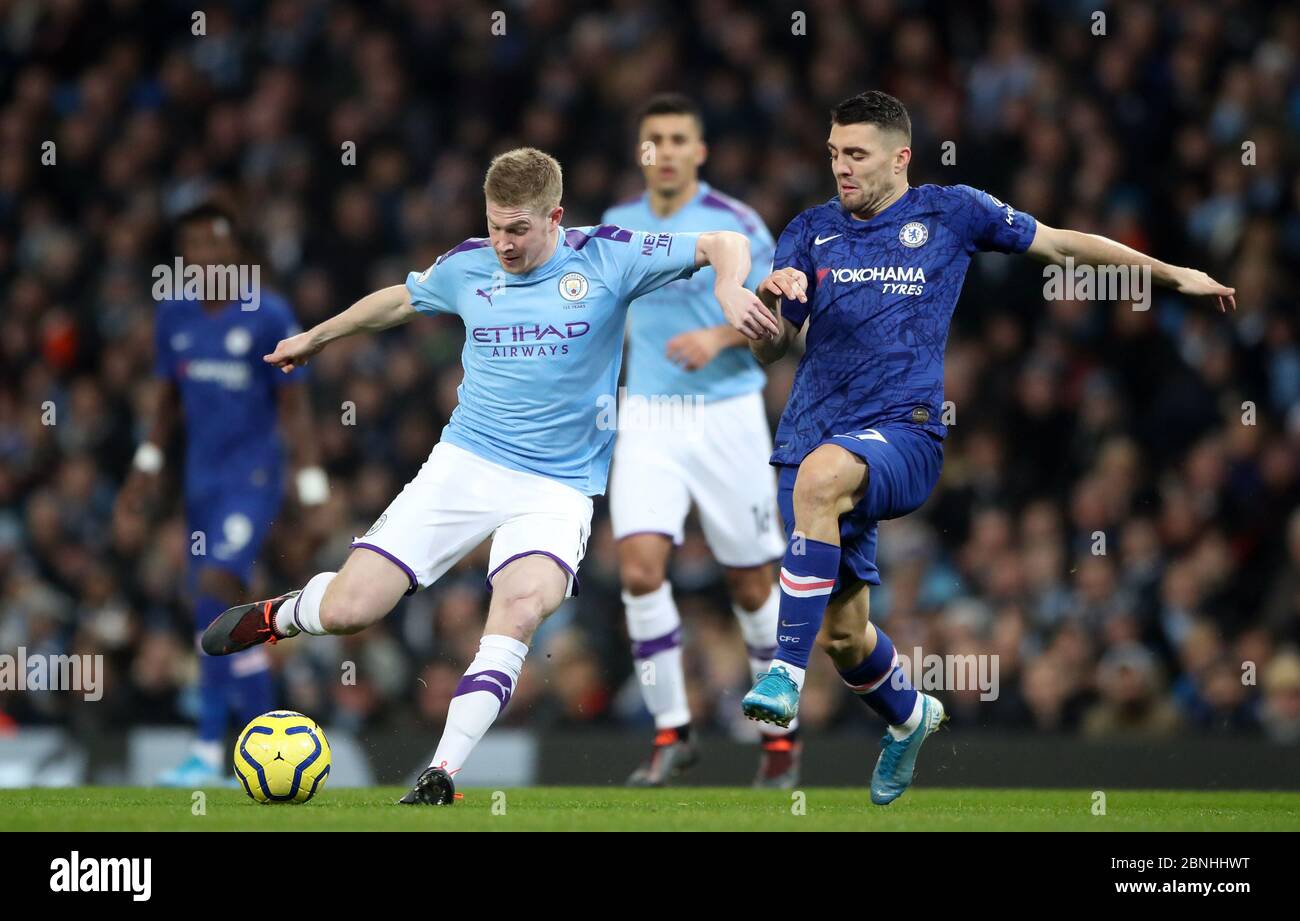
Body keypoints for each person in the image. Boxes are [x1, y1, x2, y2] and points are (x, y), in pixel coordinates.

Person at [200, 147, 778, 805]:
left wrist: (729, 286)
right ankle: (286, 613)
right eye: (495, 224)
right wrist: (319, 337)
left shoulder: (609, 256)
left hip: (557, 489)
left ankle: (441, 772)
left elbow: (722, 239)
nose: (502, 241)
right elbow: (401, 299)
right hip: (465, 466)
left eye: (518, 229)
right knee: (351, 610)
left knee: (521, 608)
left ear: (555, 217)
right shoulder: (470, 263)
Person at [742, 90, 1235, 805]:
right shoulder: (808, 232)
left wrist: (1170, 272)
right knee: (846, 637)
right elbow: (771, 350)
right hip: (811, 434)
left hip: (905, 431)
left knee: (822, 482)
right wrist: (768, 312)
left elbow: (1065, 244)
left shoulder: (951, 211)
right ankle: (910, 717)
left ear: (900, 157)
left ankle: (781, 675)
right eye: (832, 154)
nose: (840, 168)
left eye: (855, 154)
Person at [602, 94, 796, 788]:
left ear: (700, 151)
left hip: (728, 414)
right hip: (649, 414)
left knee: (749, 583)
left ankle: (780, 739)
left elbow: (783, 311)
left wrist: (719, 334)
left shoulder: (737, 222)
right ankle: (671, 730)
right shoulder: (617, 227)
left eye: (680, 137)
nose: (667, 149)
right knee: (638, 570)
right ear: (642, 150)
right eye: (654, 138)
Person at [119, 202, 326, 787]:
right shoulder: (174, 318)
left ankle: (213, 748)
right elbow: (164, 408)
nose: (206, 257)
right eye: (195, 247)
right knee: (210, 607)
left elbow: (296, 407)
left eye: (216, 245)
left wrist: (312, 489)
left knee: (217, 585)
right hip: (200, 483)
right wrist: (144, 469)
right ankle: (261, 734)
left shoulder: (268, 314)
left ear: (234, 252)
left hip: (253, 479)